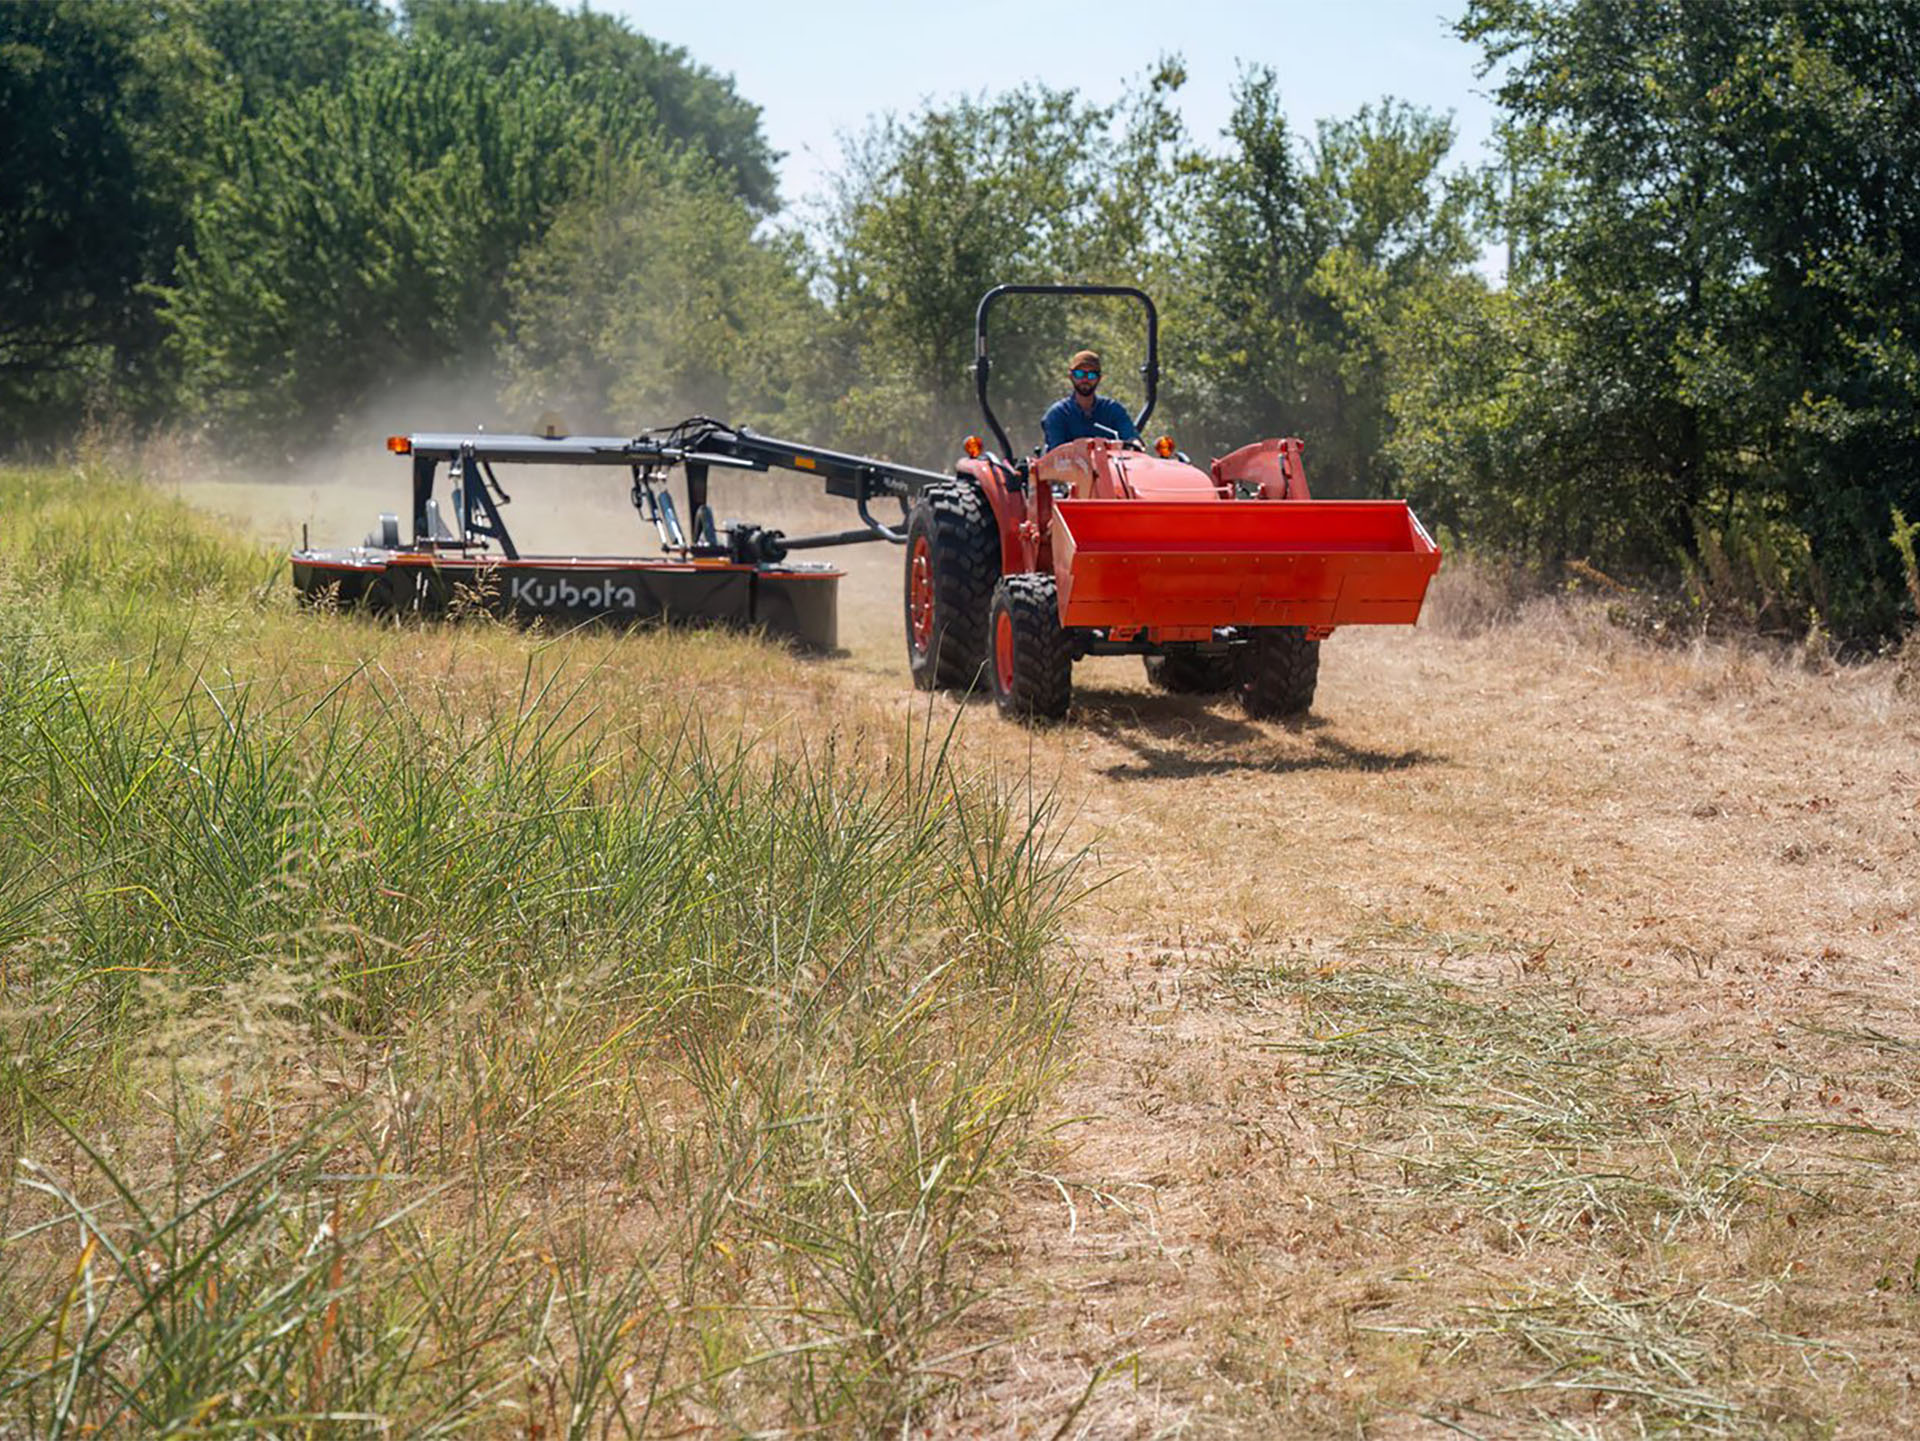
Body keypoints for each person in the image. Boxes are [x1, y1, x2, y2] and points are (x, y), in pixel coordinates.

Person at [1040, 349, 1140, 451]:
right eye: (1079, 374)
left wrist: (1135, 444)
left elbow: (1131, 439)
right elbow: (1056, 454)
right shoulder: (1057, 414)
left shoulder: (1113, 410)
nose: (1085, 379)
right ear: (1071, 377)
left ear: (1099, 378)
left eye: (1091, 375)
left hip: (1110, 466)